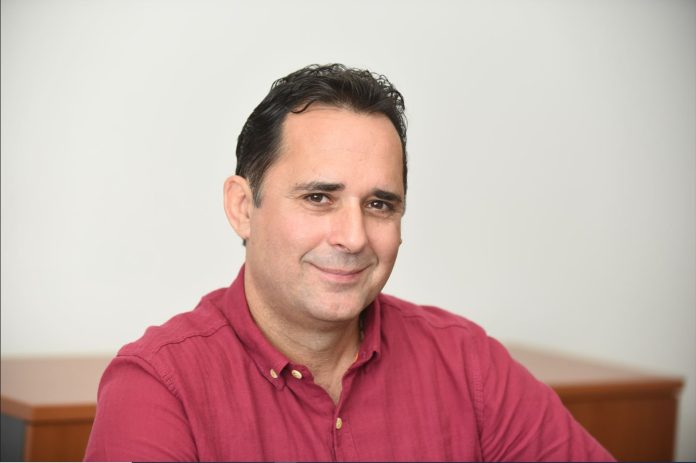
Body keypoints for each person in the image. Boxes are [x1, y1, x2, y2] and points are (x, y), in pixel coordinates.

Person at [85, 64, 614, 461]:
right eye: (319, 197)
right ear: (243, 207)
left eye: (379, 205)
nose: (354, 237)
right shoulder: (159, 387)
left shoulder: (467, 363)